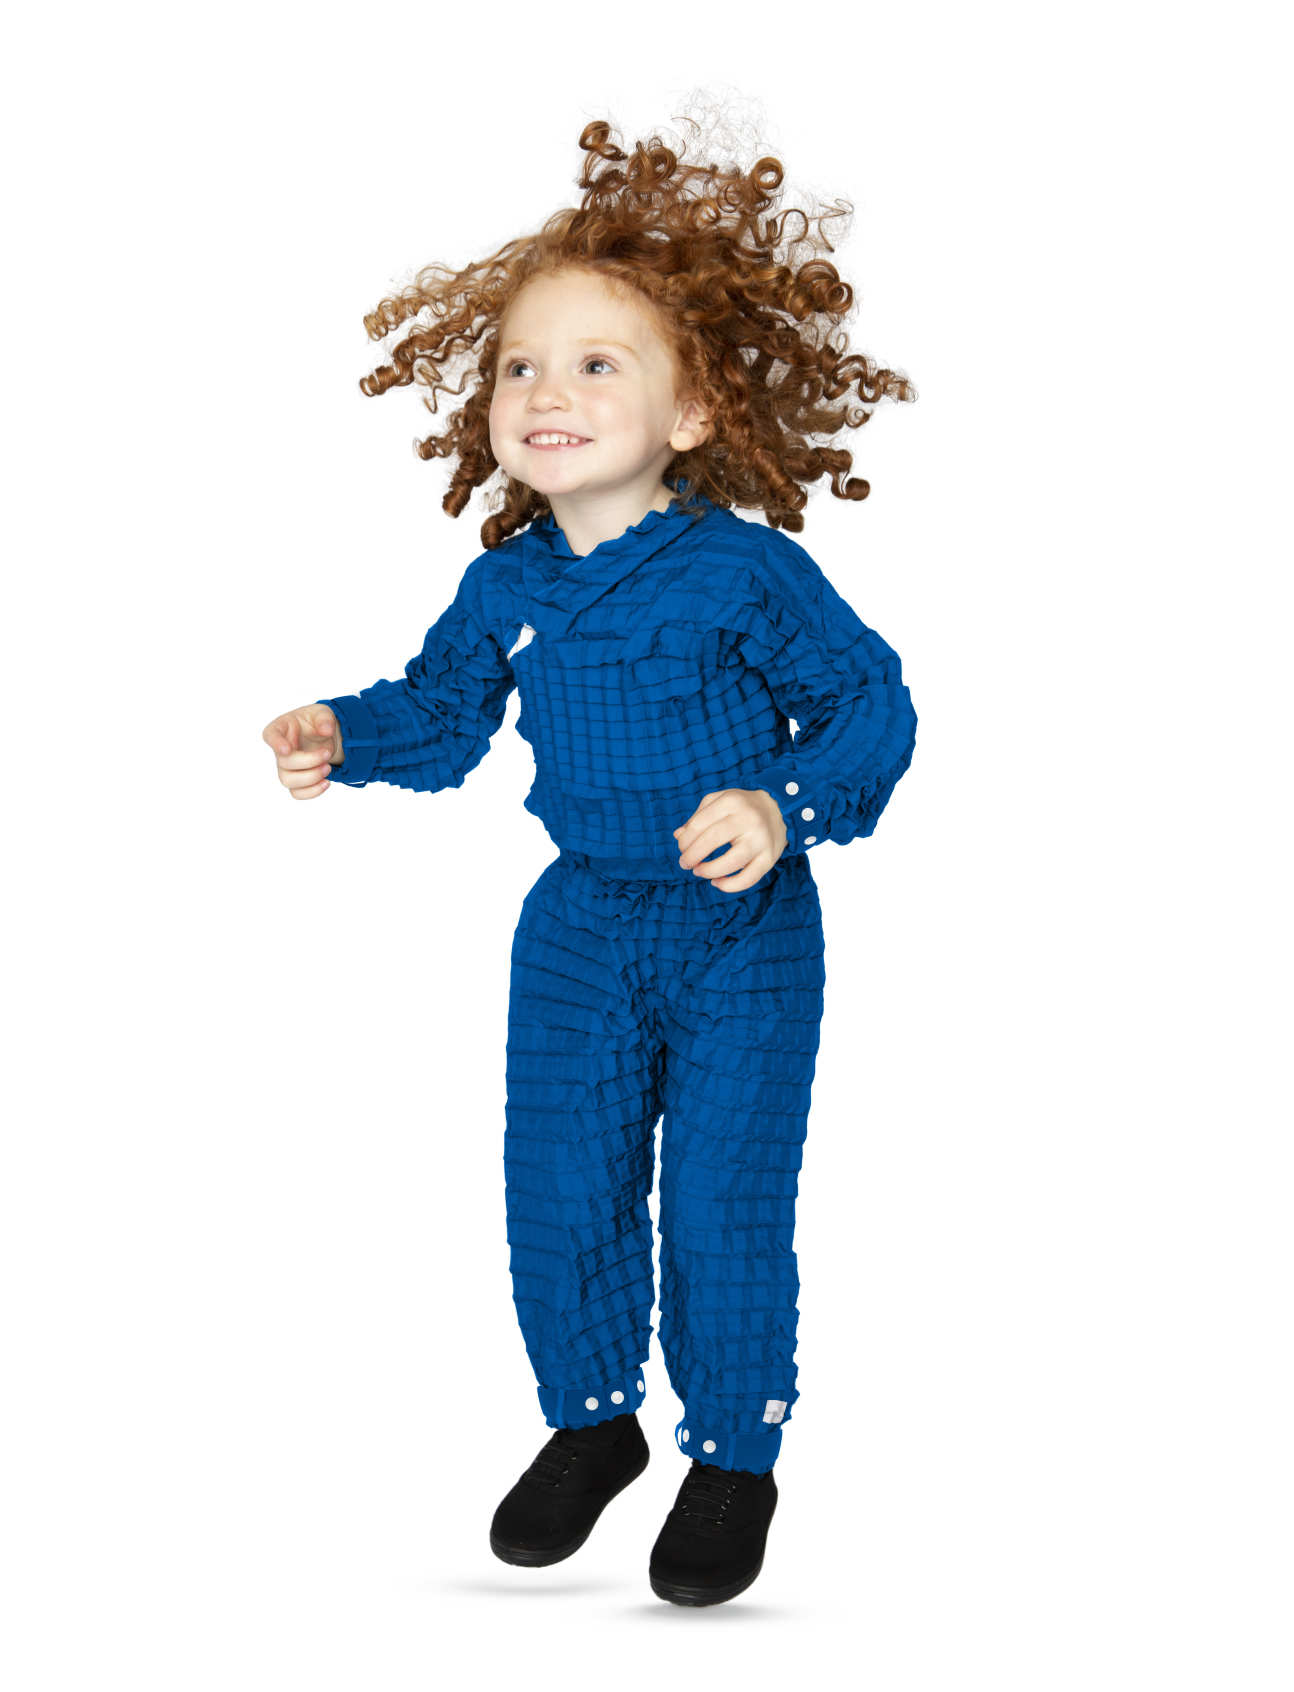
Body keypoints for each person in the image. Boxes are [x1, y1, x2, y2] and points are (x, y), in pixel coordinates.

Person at [262, 108, 919, 1608]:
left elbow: (868, 703)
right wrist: (343, 733)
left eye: (596, 364)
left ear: (695, 409)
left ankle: (733, 1455)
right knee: (560, 1185)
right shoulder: (505, 585)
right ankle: (590, 1422)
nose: (546, 391)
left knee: (723, 1202)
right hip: (578, 927)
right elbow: (442, 714)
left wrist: (787, 803)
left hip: (741, 933)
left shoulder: (743, 568)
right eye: (518, 367)